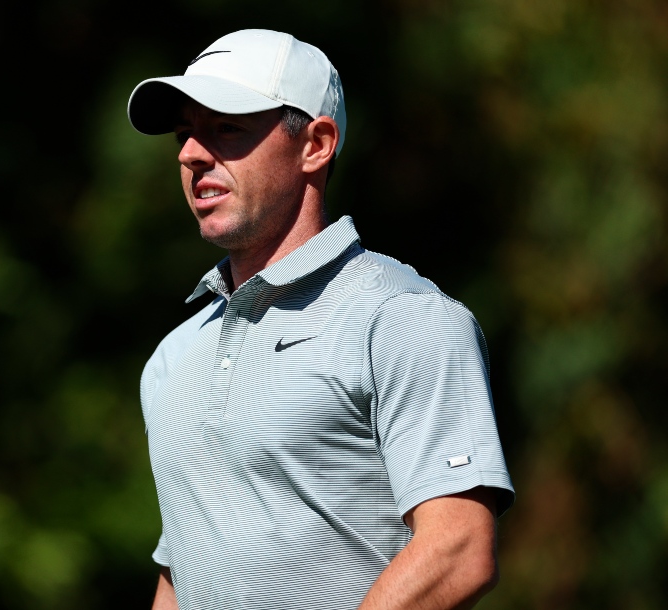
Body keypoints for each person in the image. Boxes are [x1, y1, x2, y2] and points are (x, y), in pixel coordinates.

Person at [127, 30, 515, 610]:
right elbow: (183, 569)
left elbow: (457, 547)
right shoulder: (173, 356)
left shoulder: (402, 317)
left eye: (226, 129)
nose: (190, 154)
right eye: (186, 134)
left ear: (316, 144)